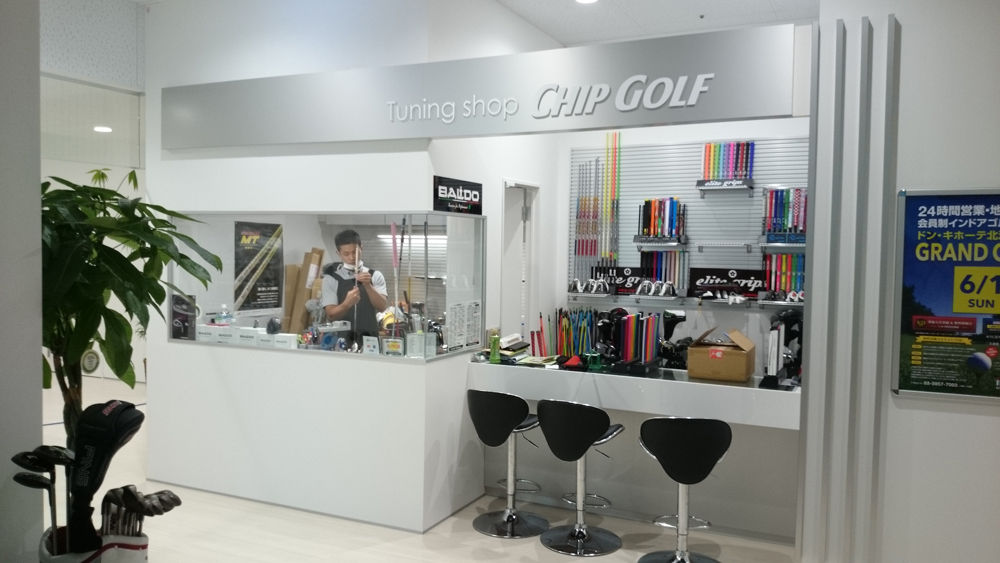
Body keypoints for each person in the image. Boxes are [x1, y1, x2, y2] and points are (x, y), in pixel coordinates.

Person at [320, 229, 389, 343]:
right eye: (346, 254)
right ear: (338, 253)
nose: (352, 257)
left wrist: (368, 286)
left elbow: (382, 307)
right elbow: (331, 315)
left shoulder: (375, 275)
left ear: (361, 248)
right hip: (341, 340)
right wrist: (347, 304)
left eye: (355, 252)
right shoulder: (331, 279)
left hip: (370, 340)